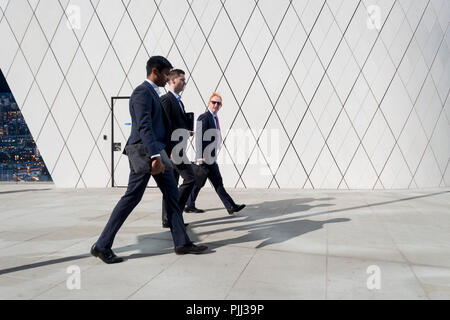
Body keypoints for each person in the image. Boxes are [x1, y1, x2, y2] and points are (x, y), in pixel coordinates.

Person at [91, 56, 207, 264]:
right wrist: (155, 156)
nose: (167, 77)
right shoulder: (141, 93)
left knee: (172, 194)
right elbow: (144, 126)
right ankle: (102, 245)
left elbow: (159, 127)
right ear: (155, 71)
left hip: (156, 150)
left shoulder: (154, 93)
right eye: (165, 73)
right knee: (132, 198)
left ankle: (181, 242)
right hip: (145, 151)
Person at [185, 93, 246, 215]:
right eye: (213, 102)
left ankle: (189, 204)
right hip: (205, 157)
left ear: (221, 106)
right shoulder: (204, 117)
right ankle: (230, 206)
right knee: (210, 182)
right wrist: (199, 156)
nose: (216, 105)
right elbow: (199, 138)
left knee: (203, 182)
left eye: (218, 103)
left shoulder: (214, 118)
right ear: (209, 103)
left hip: (211, 157)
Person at [160, 69, 204, 229]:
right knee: (191, 178)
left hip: (178, 148)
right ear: (172, 81)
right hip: (173, 151)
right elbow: (164, 126)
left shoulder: (179, 101)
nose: (185, 83)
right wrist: (169, 151)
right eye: (182, 80)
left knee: (170, 185)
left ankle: (167, 219)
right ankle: (174, 215)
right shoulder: (166, 100)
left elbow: (175, 124)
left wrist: (186, 131)